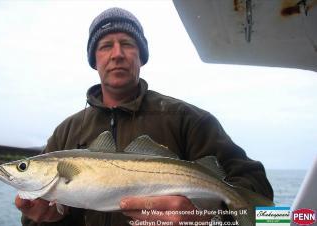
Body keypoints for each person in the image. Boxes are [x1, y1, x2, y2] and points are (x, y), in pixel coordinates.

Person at [15, 7, 273, 226]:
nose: (117, 54)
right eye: (105, 46)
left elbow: (264, 200)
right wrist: (43, 217)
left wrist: (206, 219)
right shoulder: (66, 132)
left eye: (127, 44)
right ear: (94, 59)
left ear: (141, 55)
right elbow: (33, 217)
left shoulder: (188, 119)